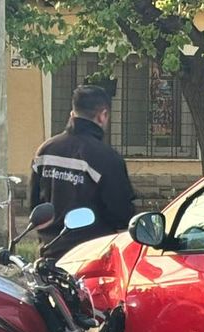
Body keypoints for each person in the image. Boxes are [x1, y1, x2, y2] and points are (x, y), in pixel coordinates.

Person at [28, 84, 135, 260]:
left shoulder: (45, 151)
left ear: (72, 114)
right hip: (91, 258)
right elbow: (122, 215)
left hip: (48, 255)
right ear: (103, 115)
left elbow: (35, 206)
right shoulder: (107, 158)